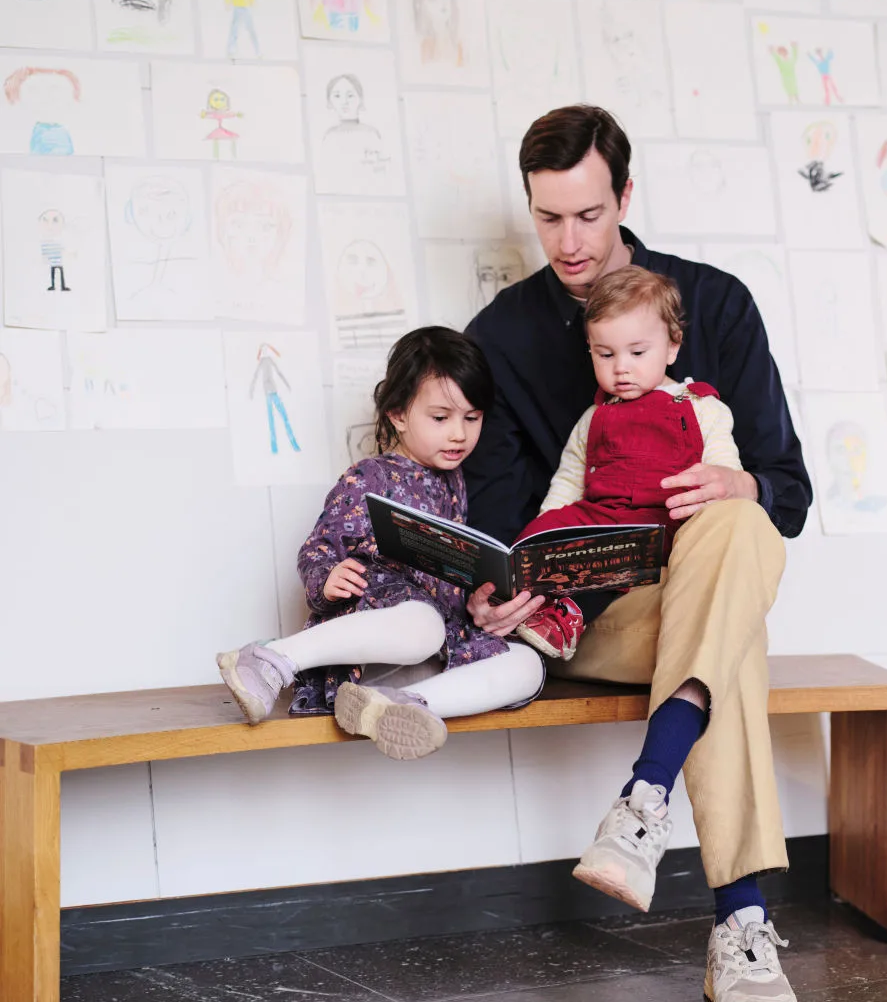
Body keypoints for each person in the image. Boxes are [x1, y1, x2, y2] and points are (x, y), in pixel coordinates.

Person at [463, 105, 811, 1002]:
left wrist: (740, 484)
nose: (569, 242)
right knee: (732, 641)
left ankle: (642, 809)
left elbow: (789, 491)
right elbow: (502, 521)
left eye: (588, 214)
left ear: (624, 196)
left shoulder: (716, 303)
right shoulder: (497, 337)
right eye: (547, 218)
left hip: (702, 584)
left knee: (739, 525)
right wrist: (496, 588)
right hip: (584, 619)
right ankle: (740, 922)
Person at [217, 327, 545, 758]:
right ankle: (273, 659)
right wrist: (326, 578)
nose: (459, 434)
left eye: (472, 418)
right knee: (424, 625)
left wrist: (480, 599)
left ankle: (399, 706)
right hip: (373, 646)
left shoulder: (455, 482)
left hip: (417, 659)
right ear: (398, 414)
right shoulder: (370, 476)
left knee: (528, 665)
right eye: (441, 418)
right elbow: (318, 547)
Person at [513, 266, 741, 661]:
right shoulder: (594, 416)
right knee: (534, 540)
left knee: (614, 558)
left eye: (637, 353)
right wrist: (548, 527)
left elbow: (723, 473)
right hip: (600, 514)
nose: (621, 367)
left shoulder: (701, 407)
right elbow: (569, 478)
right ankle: (514, 604)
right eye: (605, 354)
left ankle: (568, 616)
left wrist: (717, 495)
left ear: (672, 346)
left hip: (659, 521)